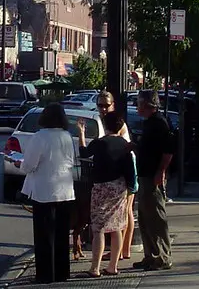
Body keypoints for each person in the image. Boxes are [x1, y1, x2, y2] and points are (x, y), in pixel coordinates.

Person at [19, 104, 76, 284]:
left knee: (44, 236)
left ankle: (45, 274)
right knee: (61, 235)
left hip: (44, 190)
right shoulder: (66, 136)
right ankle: (62, 272)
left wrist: (19, 163)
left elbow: (29, 164)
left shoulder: (40, 137)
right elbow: (71, 162)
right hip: (65, 190)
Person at [77, 112, 136, 277]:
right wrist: (130, 187)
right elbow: (129, 168)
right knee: (117, 226)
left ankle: (94, 268)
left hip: (102, 187)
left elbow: (84, 153)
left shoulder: (100, 143)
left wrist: (81, 133)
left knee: (99, 228)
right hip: (119, 187)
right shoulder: (125, 144)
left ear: (105, 125)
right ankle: (113, 266)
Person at [132, 90, 175, 272]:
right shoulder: (149, 123)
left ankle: (162, 257)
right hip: (144, 174)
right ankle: (150, 255)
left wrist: (161, 171)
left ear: (148, 105)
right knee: (144, 218)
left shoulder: (159, 123)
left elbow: (168, 151)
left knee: (156, 218)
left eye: (139, 103)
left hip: (153, 176)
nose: (137, 107)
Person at [95, 91, 137, 260]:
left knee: (125, 210)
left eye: (107, 105)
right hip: (120, 165)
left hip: (125, 166)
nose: (103, 109)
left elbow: (115, 145)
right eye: (100, 105)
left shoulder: (116, 123)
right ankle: (122, 250)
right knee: (124, 211)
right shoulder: (105, 121)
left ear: (113, 105)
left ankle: (121, 251)